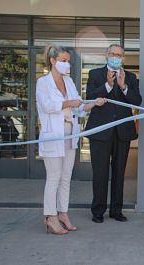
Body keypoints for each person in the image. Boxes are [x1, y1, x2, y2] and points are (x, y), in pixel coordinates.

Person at [36, 45, 106, 235]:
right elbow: (48, 106)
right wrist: (70, 102)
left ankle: (63, 213)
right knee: (54, 178)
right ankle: (50, 217)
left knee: (66, 178)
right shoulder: (43, 82)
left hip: (70, 135)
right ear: (52, 61)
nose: (67, 64)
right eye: (63, 61)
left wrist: (93, 104)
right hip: (53, 136)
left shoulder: (69, 83)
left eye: (68, 61)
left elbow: (78, 108)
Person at [85, 44, 142, 223]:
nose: (116, 57)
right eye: (112, 54)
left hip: (122, 133)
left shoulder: (131, 77)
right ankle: (98, 211)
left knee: (119, 173)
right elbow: (90, 96)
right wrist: (108, 85)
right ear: (106, 55)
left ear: (123, 58)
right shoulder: (95, 74)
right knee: (100, 173)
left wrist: (123, 86)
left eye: (119, 55)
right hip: (100, 132)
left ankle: (116, 210)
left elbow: (137, 101)